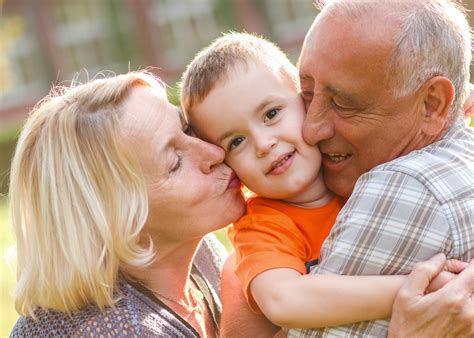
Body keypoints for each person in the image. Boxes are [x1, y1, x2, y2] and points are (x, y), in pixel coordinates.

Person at [180, 32, 450, 330]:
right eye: (237, 141)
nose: (264, 144)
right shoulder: (262, 227)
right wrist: (414, 288)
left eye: (271, 114)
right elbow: (284, 300)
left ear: (308, 101)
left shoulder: (363, 164)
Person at [9, 71, 246, 337]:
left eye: (186, 128)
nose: (215, 152)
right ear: (122, 218)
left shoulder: (196, 251)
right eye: (175, 163)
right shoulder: (116, 330)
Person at [291, 0, 474, 336]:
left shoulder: (405, 185)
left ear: (432, 103)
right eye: (305, 92)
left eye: (344, 103)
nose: (310, 129)